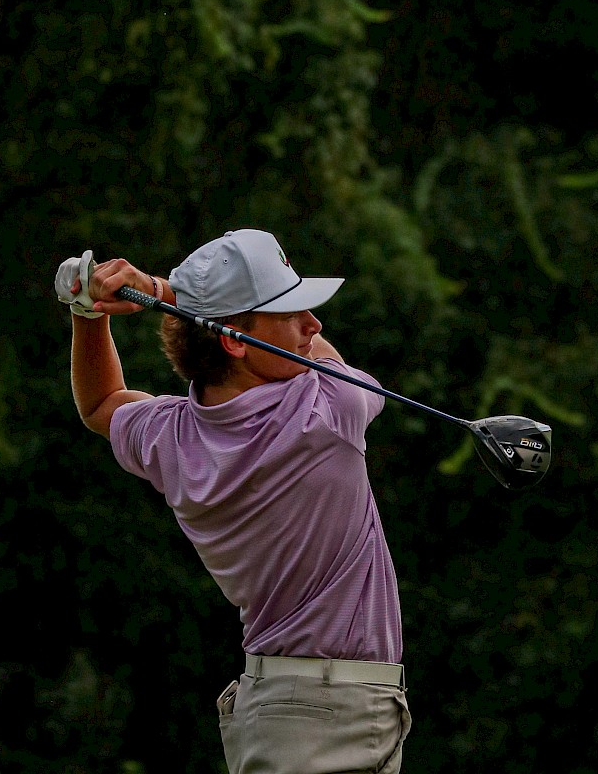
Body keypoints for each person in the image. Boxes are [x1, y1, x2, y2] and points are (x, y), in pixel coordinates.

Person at [55, 228, 411, 773]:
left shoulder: (172, 437)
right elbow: (320, 355)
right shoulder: (324, 410)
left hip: (292, 711)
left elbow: (101, 402)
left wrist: (88, 313)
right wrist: (159, 289)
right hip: (328, 716)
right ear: (235, 340)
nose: (313, 326)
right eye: (291, 313)